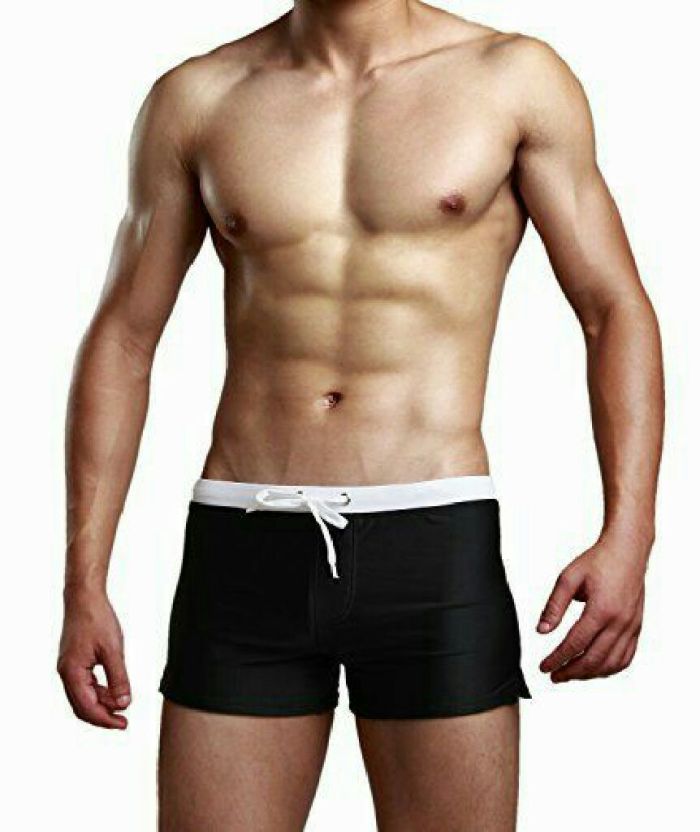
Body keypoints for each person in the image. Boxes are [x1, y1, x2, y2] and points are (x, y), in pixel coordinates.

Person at [57, 1, 664, 829]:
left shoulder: (513, 79)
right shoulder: (200, 96)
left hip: (432, 540)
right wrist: (83, 581)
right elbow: (125, 338)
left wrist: (630, 534)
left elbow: (612, 308)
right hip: (245, 539)